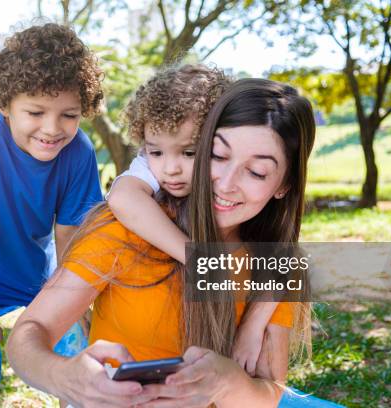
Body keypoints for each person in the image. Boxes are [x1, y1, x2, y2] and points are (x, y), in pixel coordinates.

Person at [6, 78, 316, 407]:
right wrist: (63, 376)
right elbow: (28, 334)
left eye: (255, 172)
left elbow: (269, 394)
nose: (226, 184)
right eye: (217, 155)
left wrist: (231, 385)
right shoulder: (125, 230)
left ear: (283, 186)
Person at [0, 23, 103, 407]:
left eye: (68, 114)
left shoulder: (79, 151)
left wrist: (76, 301)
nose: (52, 129)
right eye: (35, 112)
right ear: (5, 105)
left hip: (41, 272)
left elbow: (70, 234)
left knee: (76, 344)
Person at [107, 64, 286, 376]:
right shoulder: (150, 167)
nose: (170, 169)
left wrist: (253, 326)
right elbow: (123, 198)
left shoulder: (232, 181)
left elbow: (288, 261)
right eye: (156, 152)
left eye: (189, 153)